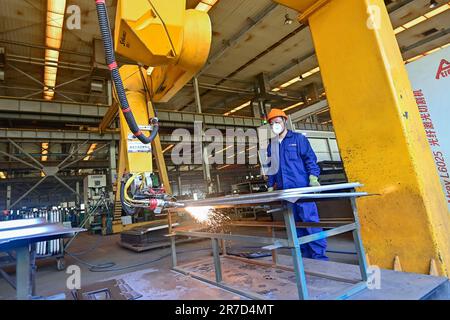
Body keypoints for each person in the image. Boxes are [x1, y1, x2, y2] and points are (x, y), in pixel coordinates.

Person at [266, 109, 328, 261]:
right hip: (285, 193)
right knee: (295, 226)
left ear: (284, 121)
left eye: (278, 122)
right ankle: (305, 257)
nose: (276, 125)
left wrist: (313, 178)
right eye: (272, 123)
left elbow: (310, 159)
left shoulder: (299, 139)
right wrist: (269, 185)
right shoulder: (271, 146)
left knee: (311, 223)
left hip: (302, 191)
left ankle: (319, 256)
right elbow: (272, 168)